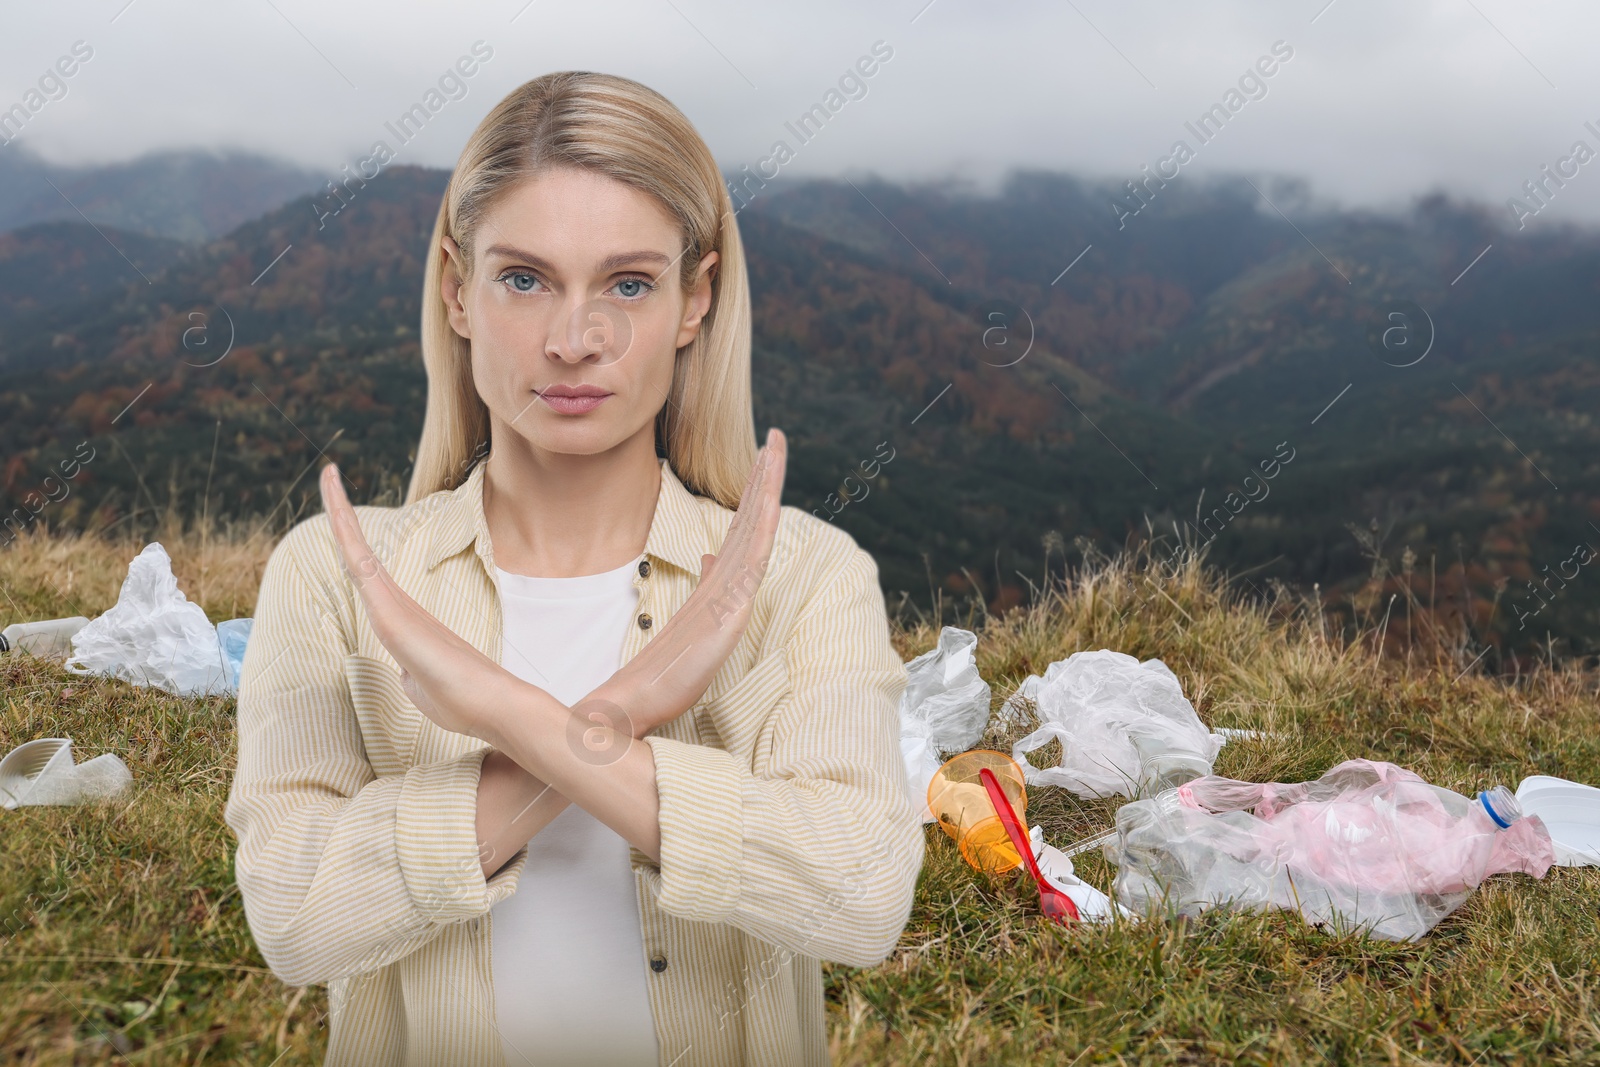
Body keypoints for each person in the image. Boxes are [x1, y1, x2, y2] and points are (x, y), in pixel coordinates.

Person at [224, 70, 925, 1067]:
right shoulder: (334, 572)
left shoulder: (802, 573)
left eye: (629, 284)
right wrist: (624, 710)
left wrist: (514, 714)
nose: (573, 341)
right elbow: (294, 917)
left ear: (698, 298)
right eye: (525, 279)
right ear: (457, 289)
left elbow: (858, 899)